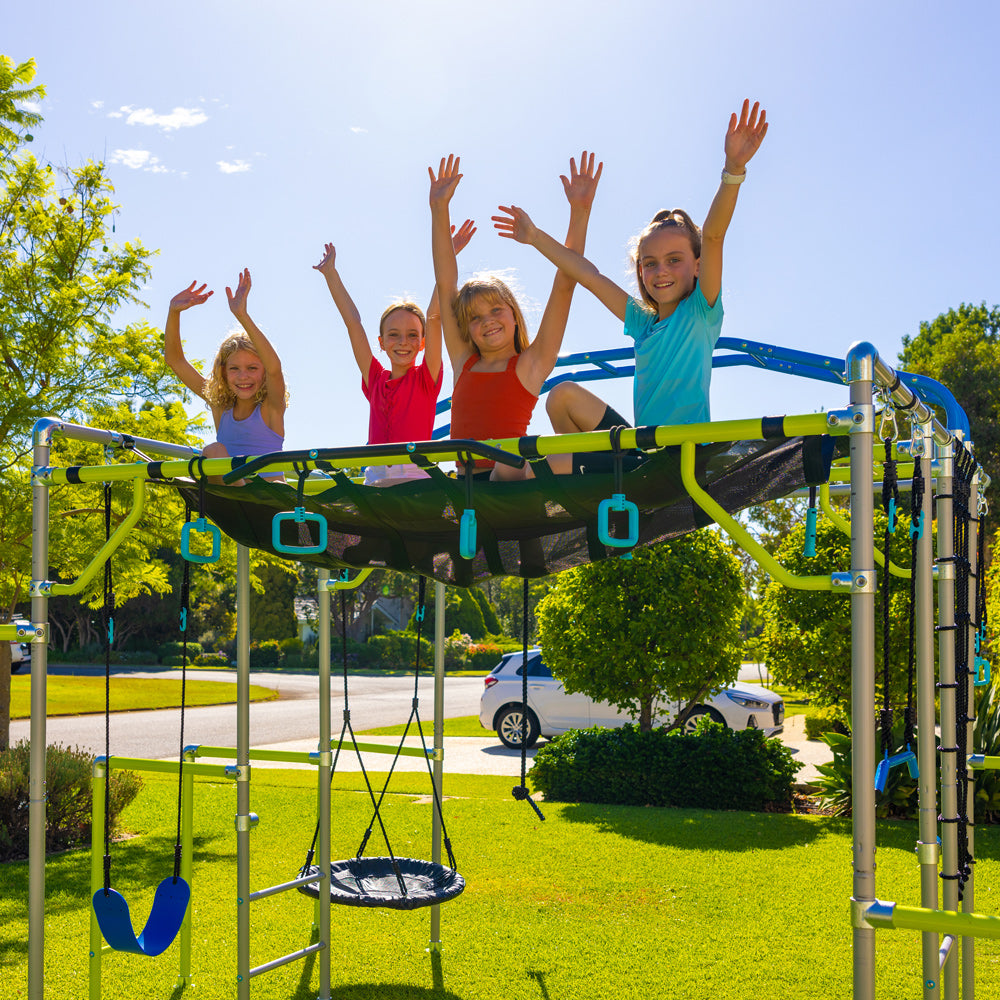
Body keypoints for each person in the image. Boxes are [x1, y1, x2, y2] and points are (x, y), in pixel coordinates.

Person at [493, 99, 768, 474]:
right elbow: (589, 275)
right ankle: (584, 478)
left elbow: (715, 235)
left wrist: (734, 169)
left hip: (680, 460)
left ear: (698, 266)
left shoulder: (700, 311)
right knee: (559, 398)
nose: (661, 271)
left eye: (674, 259)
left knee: (526, 465)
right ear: (640, 271)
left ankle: (566, 476)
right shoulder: (643, 323)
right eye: (650, 263)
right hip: (641, 455)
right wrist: (535, 235)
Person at [429, 151, 602, 480]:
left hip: (512, 481)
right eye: (475, 318)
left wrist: (580, 213)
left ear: (514, 316)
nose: (487, 321)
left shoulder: (530, 363)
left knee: (514, 459)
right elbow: (445, 281)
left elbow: (566, 283)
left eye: (495, 310)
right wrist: (439, 209)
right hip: (469, 486)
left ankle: (610, 470)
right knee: (506, 463)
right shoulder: (464, 360)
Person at [312, 220, 476, 485]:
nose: (403, 342)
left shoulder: (426, 378)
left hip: (414, 476)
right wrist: (331, 275)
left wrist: (450, 256)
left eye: (412, 335)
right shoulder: (375, 379)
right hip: (376, 476)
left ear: (422, 343)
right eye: (394, 335)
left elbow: (435, 316)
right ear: (382, 342)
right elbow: (353, 324)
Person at [164, 269, 286, 482]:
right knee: (215, 451)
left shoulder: (271, 408)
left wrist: (242, 315)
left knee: (214, 451)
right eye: (234, 369)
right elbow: (175, 361)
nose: (243, 377)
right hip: (232, 504)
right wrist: (174, 312)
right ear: (223, 373)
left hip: (269, 502)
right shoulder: (221, 408)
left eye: (252, 368)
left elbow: (275, 369)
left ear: (264, 372)